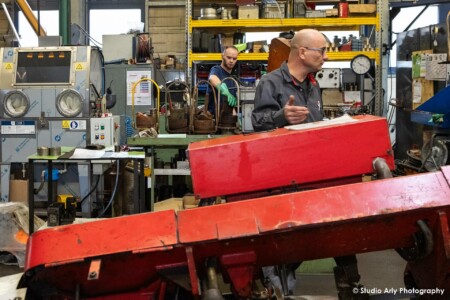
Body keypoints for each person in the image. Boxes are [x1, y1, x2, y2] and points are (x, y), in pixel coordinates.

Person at [251, 29, 366, 299]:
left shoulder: (313, 85)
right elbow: (257, 124)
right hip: (283, 183)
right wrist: (281, 116)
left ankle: (351, 284)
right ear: (302, 52)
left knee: (335, 232)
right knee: (285, 246)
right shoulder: (270, 83)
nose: (326, 56)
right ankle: (275, 286)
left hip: (315, 176)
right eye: (322, 51)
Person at [207, 46, 239, 115]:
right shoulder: (216, 70)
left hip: (226, 119)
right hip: (214, 118)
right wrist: (225, 91)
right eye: (229, 57)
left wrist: (236, 119)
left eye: (234, 59)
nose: (231, 61)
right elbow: (212, 78)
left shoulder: (232, 79)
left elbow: (231, 103)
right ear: (222, 56)